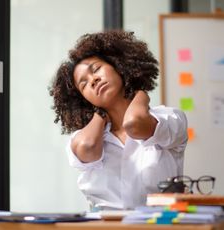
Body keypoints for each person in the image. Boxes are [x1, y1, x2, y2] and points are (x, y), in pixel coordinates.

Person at [49, 30, 188, 210]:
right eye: (83, 84)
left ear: (119, 66)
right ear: (83, 98)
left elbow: (134, 124)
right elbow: (87, 146)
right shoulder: (86, 137)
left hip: (158, 224)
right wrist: (100, 113)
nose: (93, 80)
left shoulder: (169, 118)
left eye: (96, 69)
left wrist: (140, 93)